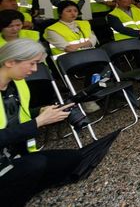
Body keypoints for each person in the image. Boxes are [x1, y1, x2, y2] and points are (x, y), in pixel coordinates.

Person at [0, 39, 88, 207]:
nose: (34, 70)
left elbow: (15, 116)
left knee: (73, 158)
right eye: (32, 63)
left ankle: (20, 186)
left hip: (15, 154)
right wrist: (38, 122)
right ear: (10, 62)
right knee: (35, 165)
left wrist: (41, 112)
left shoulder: (16, 84)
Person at [43, 1, 100, 113]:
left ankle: (113, 92)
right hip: (68, 62)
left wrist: (81, 45)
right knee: (97, 67)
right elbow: (69, 48)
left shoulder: (84, 24)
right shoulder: (52, 30)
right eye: (68, 11)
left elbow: (94, 40)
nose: (73, 13)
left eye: (75, 11)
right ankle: (87, 99)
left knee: (106, 65)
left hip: (88, 57)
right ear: (60, 13)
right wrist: (86, 43)